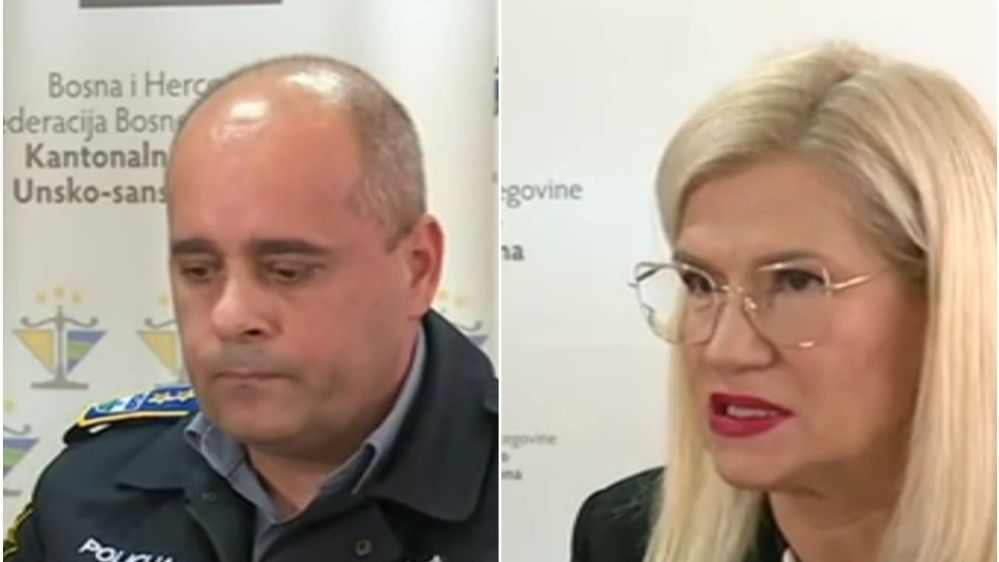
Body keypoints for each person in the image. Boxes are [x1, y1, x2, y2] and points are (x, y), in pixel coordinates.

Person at [4, 55, 498, 562]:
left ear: (418, 268)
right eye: (200, 271)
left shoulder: (527, 503)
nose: (230, 316)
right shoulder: (88, 492)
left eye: (287, 271)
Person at [572, 43, 995, 562]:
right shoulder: (623, 538)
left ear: (946, 302)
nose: (725, 349)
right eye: (700, 282)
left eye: (796, 282)